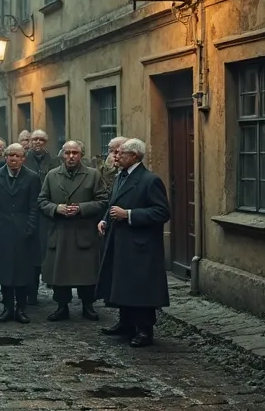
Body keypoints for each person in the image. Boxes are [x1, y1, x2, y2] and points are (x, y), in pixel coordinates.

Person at [97, 138, 171, 347]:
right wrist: (104, 219)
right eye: (116, 153)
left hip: (141, 245)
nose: (116, 156)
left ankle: (144, 330)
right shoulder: (121, 176)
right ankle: (125, 323)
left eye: (121, 153)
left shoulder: (149, 180)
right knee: (122, 285)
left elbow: (162, 212)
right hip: (120, 241)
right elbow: (113, 203)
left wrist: (128, 214)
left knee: (140, 289)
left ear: (135, 156)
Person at [39, 140, 108, 322]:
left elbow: (103, 201)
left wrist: (81, 208)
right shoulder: (52, 176)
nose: (71, 156)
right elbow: (42, 201)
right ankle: (61, 307)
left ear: (81, 155)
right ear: (62, 155)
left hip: (83, 232)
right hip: (60, 232)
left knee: (86, 273)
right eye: (68, 153)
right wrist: (56, 208)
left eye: (75, 153)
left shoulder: (93, 175)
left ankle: (88, 306)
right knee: (59, 274)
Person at [0, 143, 39, 324]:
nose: (13, 159)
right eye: (10, 155)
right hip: (2, 229)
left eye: (17, 156)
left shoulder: (32, 177)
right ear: (5, 157)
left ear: (23, 158)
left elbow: (35, 205)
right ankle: (7, 307)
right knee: (5, 270)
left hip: (23, 229)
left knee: (22, 271)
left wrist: (30, 227)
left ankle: (21, 308)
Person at [23, 129, 59, 305]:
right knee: (28, 254)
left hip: (47, 215)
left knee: (47, 252)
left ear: (46, 142)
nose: (37, 142)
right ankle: (30, 292)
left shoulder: (54, 162)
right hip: (27, 213)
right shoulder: (23, 160)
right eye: (34, 139)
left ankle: (54, 287)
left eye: (41, 140)